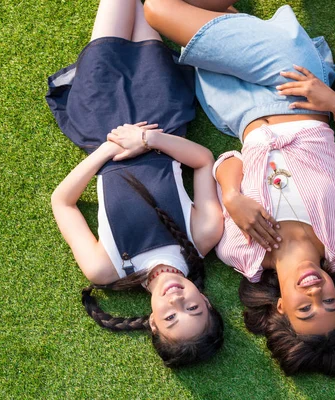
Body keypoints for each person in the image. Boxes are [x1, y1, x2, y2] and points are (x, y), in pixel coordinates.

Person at [143, 0, 335, 375]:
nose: (316, 294)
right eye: (330, 303)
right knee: (156, 10)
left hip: (235, 111)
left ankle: (231, 16)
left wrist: (232, 196)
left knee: (211, 16)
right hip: (295, 88)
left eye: (305, 309)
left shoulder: (238, 252)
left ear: (281, 307)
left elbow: (227, 161)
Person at [46, 0, 224, 368]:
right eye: (192, 308)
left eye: (171, 317)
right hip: (161, 115)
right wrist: (148, 141)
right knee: (152, 9)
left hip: (102, 123)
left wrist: (108, 150)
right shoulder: (203, 237)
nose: (177, 301)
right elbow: (204, 160)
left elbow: (62, 202)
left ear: (154, 325)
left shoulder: (105, 269)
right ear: (205, 301)